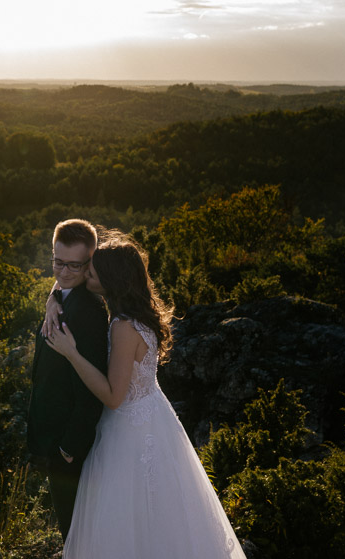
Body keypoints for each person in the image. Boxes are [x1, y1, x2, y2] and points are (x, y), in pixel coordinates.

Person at [46, 232, 247, 558]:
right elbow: (63, 282)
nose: (85, 275)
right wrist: (51, 301)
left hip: (129, 431)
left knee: (130, 518)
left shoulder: (122, 326)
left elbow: (113, 397)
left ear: (111, 281)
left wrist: (72, 353)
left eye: (92, 272)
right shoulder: (139, 313)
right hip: (155, 418)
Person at [26, 219, 109, 538]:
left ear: (91, 262)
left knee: (75, 531)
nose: (63, 272)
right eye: (57, 262)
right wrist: (54, 296)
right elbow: (61, 283)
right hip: (54, 433)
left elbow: (92, 385)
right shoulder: (64, 292)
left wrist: (68, 446)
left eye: (74, 265)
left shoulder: (88, 312)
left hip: (69, 444)